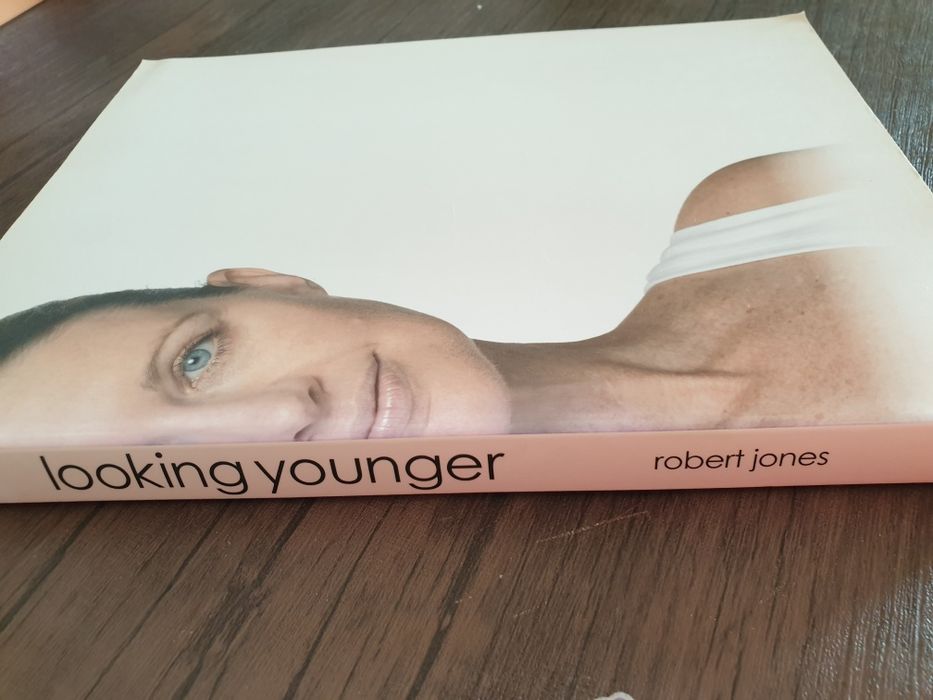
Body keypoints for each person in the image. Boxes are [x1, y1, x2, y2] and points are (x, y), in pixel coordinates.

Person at [0, 147, 922, 447]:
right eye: (171, 465)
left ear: (273, 286)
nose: (282, 417)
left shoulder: (770, 203)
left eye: (197, 359)